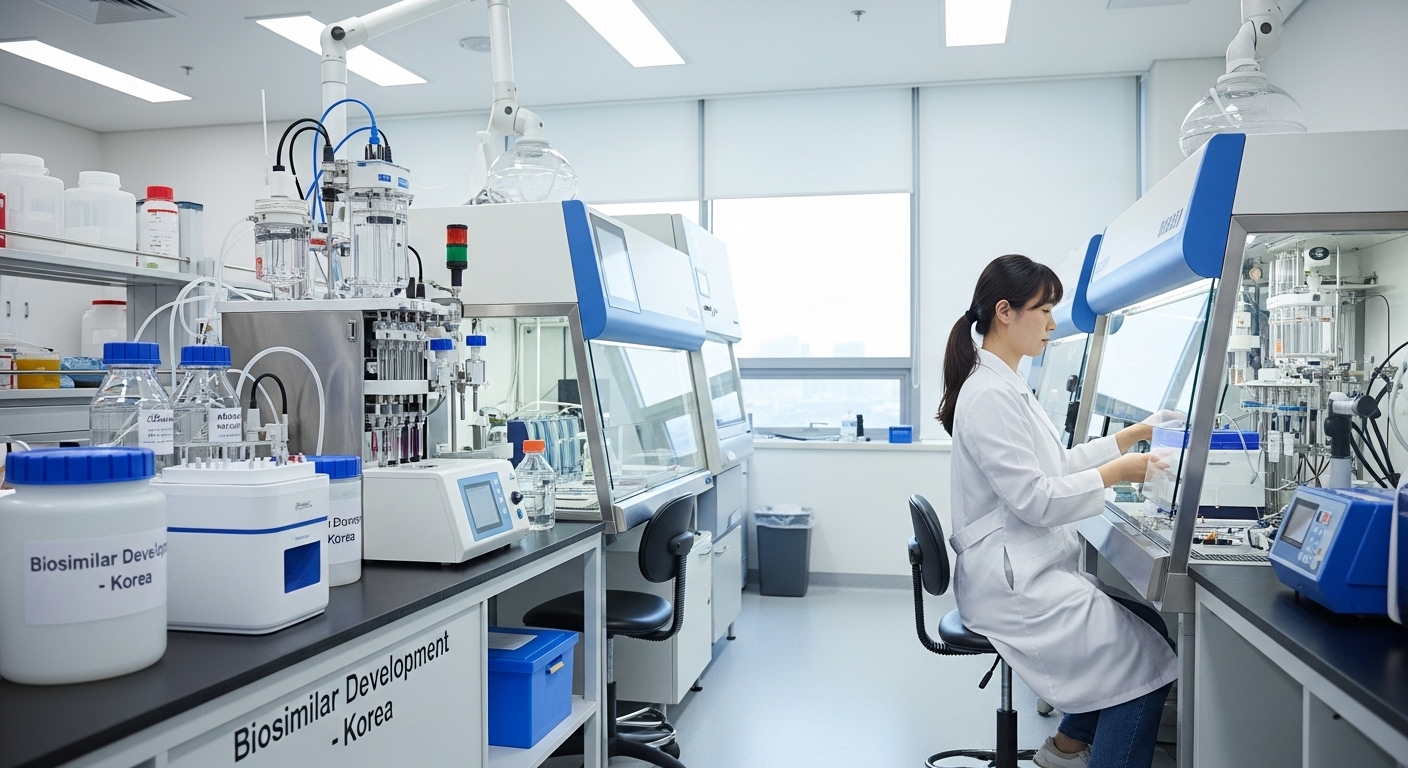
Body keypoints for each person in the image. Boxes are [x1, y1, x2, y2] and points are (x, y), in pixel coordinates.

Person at [940, 254, 1178, 768]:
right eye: (1043, 309)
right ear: (1005, 312)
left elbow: (1055, 466)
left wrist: (1129, 438)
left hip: (1024, 565)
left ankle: (1066, 749)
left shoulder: (1005, 383)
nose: (1052, 323)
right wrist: (1119, 473)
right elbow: (1038, 499)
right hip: (1012, 586)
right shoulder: (988, 395)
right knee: (1148, 665)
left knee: (1148, 632)